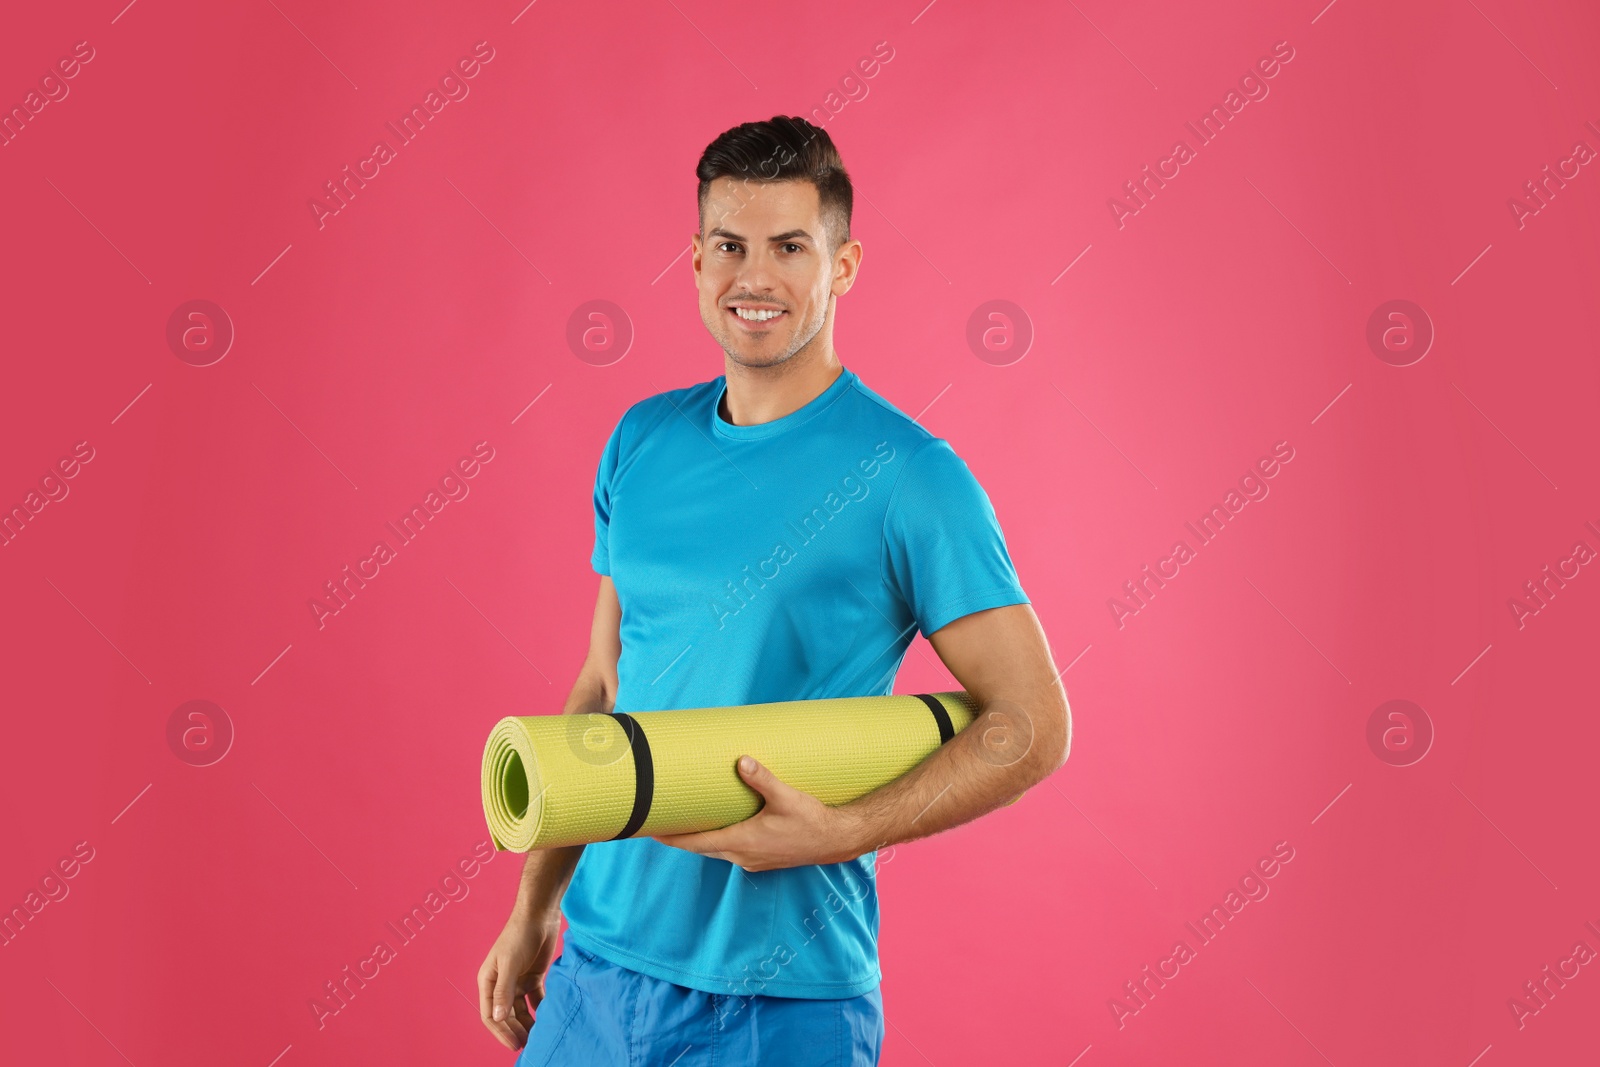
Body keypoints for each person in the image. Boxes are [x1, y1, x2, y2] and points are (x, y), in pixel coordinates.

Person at [478, 114, 1071, 1066]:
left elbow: (1033, 721)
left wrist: (843, 831)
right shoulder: (640, 440)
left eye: (790, 247)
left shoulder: (909, 475)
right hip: (597, 972)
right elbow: (601, 686)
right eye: (730, 246)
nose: (754, 278)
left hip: (779, 1000)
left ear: (843, 265)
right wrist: (534, 907)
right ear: (698, 262)